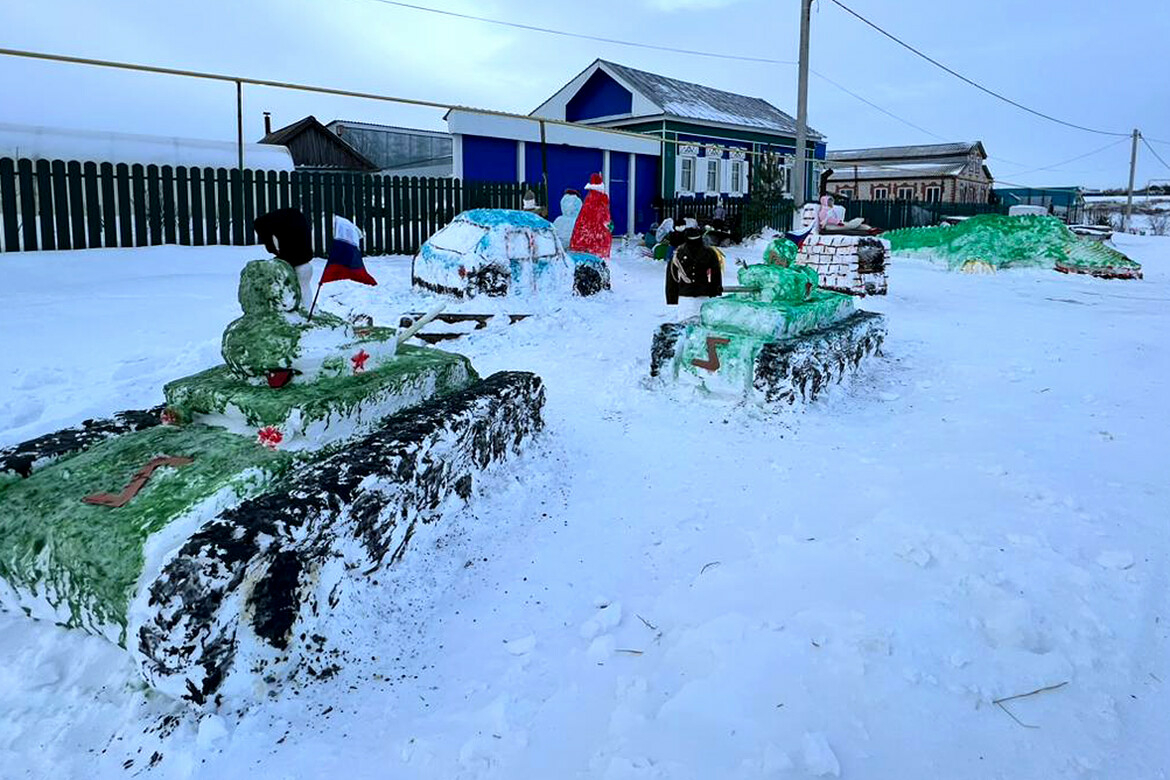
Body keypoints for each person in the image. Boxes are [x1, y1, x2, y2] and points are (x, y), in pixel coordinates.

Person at [666, 224, 723, 311]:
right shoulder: (679, 253)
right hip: (687, 295)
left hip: (700, 294)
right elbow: (672, 276)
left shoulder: (708, 252)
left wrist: (715, 291)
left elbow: (716, 274)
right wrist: (715, 293)